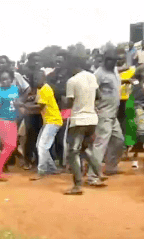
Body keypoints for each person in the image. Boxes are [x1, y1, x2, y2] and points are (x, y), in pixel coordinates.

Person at [64, 59, 107, 195]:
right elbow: (99, 96)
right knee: (85, 149)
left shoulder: (72, 81)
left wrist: (63, 100)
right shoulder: (92, 76)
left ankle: (77, 185)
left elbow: (69, 103)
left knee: (73, 152)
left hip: (78, 120)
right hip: (92, 119)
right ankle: (98, 172)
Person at [90, 50, 125, 177]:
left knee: (119, 140)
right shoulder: (98, 74)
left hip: (113, 113)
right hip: (103, 113)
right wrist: (94, 108)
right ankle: (92, 175)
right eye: (111, 60)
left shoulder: (114, 70)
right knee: (100, 144)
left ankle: (111, 166)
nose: (114, 62)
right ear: (105, 60)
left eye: (115, 60)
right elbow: (91, 92)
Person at [23, 71, 63, 180]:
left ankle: (41, 171)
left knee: (42, 146)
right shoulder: (41, 89)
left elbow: (39, 107)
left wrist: (24, 107)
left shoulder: (45, 89)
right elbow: (37, 103)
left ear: (44, 78)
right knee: (40, 146)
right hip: (49, 121)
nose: (35, 81)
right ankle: (52, 168)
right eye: (34, 79)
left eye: (37, 78)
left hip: (53, 121)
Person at [0, 69, 21, 181]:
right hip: (2, 119)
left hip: (12, 120)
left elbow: (17, 102)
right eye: (2, 79)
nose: (4, 81)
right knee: (10, 145)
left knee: (10, 146)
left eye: (7, 79)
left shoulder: (15, 89)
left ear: (11, 79)